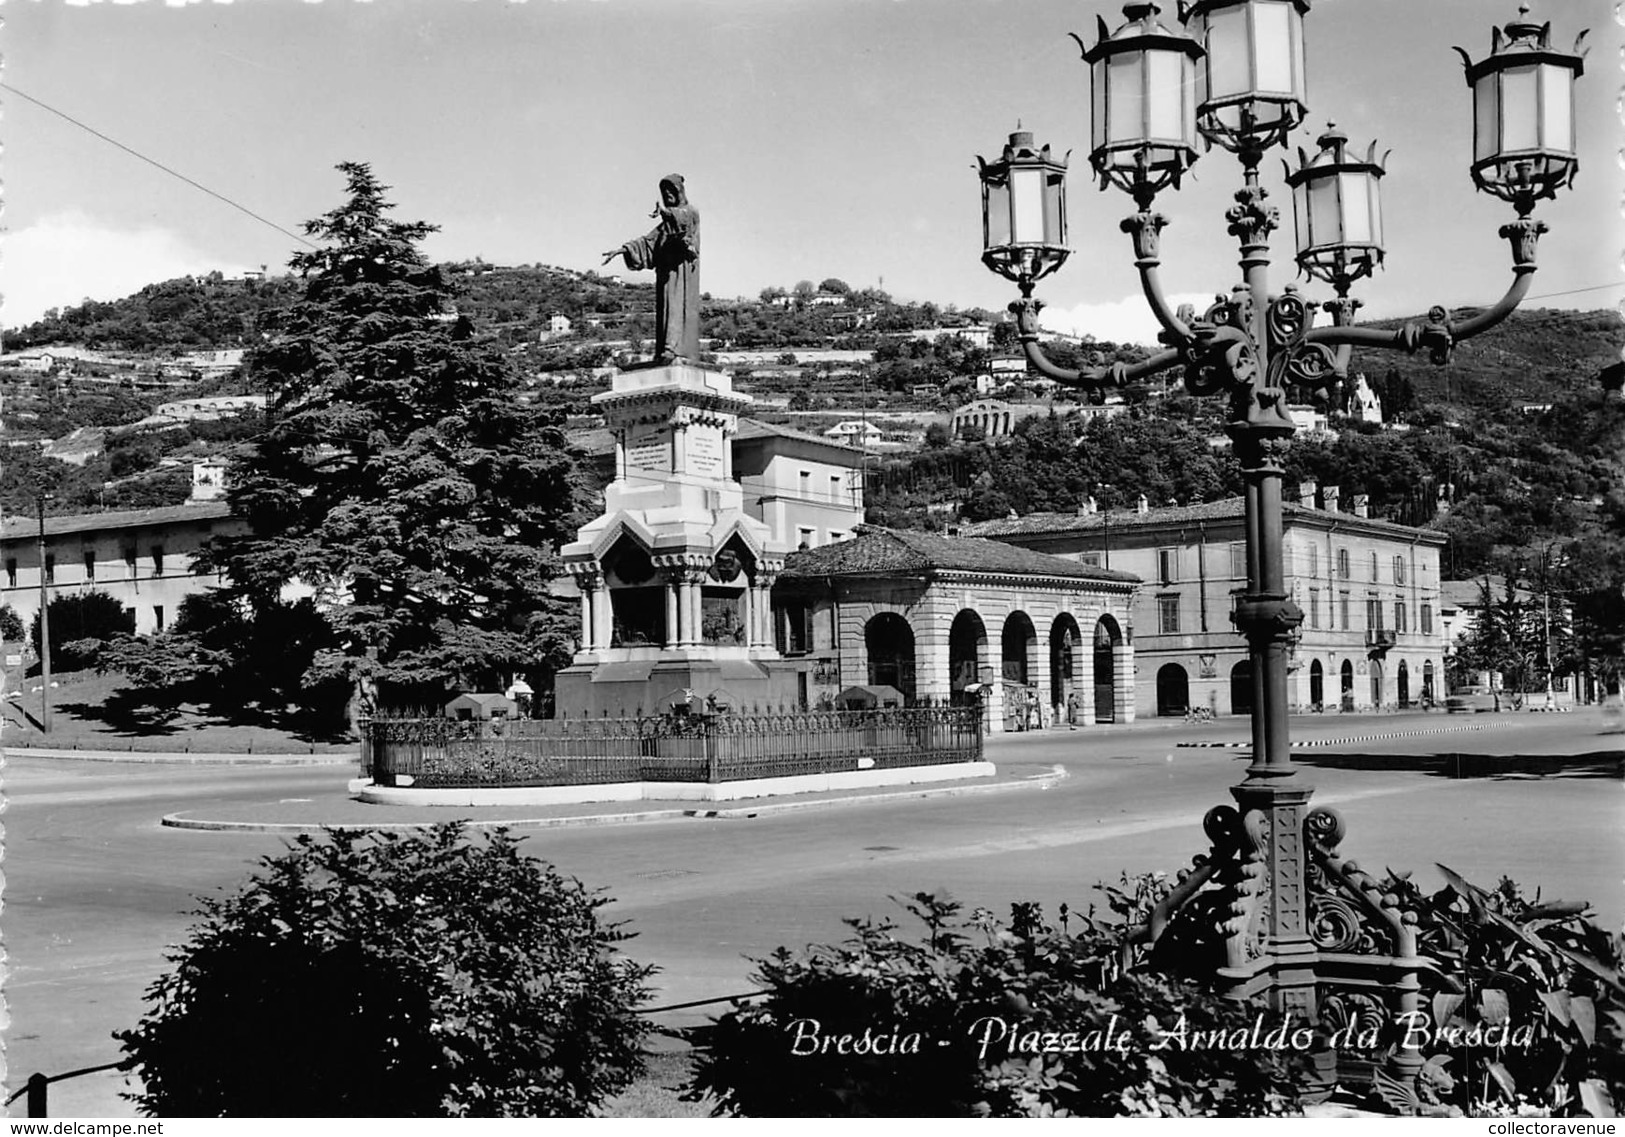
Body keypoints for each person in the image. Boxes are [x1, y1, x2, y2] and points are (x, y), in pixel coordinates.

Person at [603, 174, 701, 365]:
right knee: (665, 311)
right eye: (664, 193)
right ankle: (666, 349)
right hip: (665, 275)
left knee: (676, 308)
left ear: (679, 192)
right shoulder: (664, 226)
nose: (667, 195)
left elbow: (682, 222)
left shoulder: (690, 212)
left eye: (670, 191)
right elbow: (647, 243)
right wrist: (622, 250)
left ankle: (674, 349)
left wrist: (665, 213)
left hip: (681, 276)